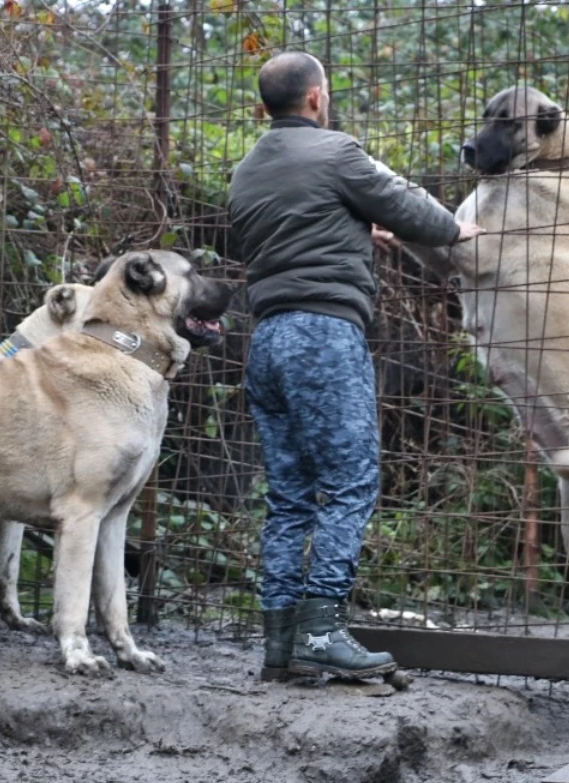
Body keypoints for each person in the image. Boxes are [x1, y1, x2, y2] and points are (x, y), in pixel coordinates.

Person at [227, 51, 482, 681]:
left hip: (268, 341)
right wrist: (457, 230)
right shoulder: (337, 152)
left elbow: (289, 229)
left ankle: (280, 646)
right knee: (350, 483)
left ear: (266, 108)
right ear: (316, 98)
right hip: (323, 336)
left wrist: (350, 230)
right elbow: (418, 213)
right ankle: (323, 632)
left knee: (288, 498)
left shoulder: (246, 171)